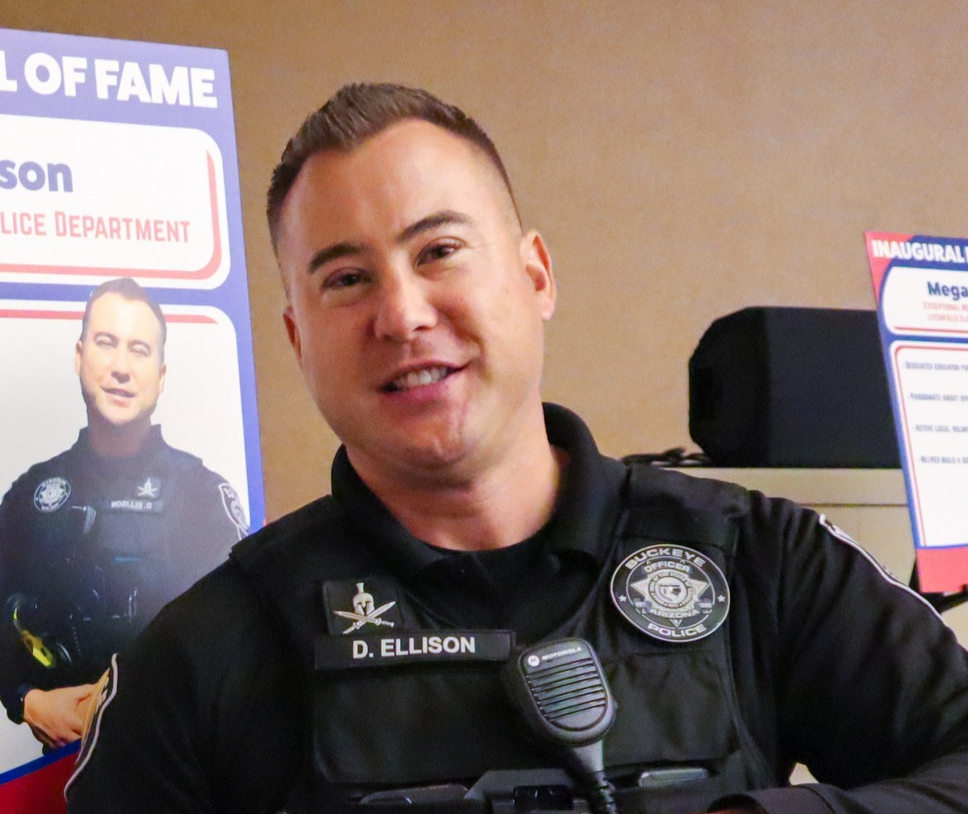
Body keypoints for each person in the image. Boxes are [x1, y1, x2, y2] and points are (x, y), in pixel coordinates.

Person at [64, 84, 968, 814]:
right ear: (300, 340)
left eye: (439, 250)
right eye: (346, 279)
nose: (403, 314)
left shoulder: (758, 562)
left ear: (534, 274)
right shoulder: (207, 650)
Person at [0, 277, 248, 749]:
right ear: (80, 358)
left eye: (139, 350)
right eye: (106, 343)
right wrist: (28, 700)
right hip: (65, 772)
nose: (121, 367)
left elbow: (246, 644)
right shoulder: (33, 496)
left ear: (160, 376)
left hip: (182, 772)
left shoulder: (203, 497)